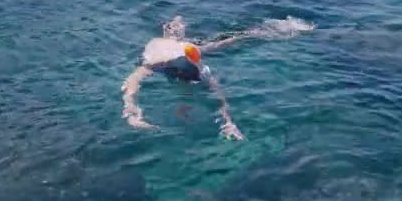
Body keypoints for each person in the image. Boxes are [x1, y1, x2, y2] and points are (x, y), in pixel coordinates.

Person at [121, 15, 314, 140]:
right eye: (177, 24)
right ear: (173, 30)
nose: (179, 26)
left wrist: (131, 109)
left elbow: (133, 80)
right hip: (186, 66)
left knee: (136, 84)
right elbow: (217, 88)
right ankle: (228, 123)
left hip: (165, 65)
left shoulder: (156, 44)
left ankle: (132, 115)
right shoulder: (190, 47)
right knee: (230, 46)